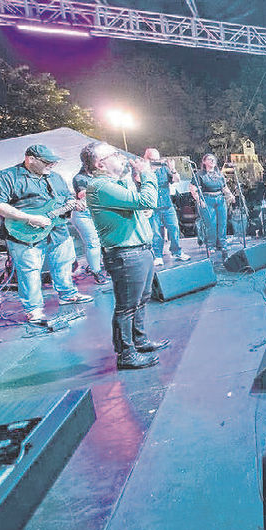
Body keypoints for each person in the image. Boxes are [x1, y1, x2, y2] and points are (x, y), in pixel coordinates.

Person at [81, 141, 169, 370]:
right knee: (127, 306)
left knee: (142, 299)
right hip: (126, 254)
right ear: (100, 164)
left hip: (140, 249)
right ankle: (126, 354)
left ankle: (139, 341)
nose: (121, 156)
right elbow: (147, 200)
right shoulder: (100, 186)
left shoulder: (116, 183)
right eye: (114, 154)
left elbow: (140, 207)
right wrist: (147, 174)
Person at [0, 144, 92, 323]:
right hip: (25, 233)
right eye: (47, 162)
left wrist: (75, 203)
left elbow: (65, 198)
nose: (52, 165)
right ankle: (33, 309)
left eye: (54, 162)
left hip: (57, 229)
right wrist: (28, 218)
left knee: (64, 262)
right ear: (30, 159)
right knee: (29, 271)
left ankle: (67, 294)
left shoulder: (55, 177)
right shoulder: (7, 177)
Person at [142, 148, 189, 266]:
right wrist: (148, 169)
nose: (155, 161)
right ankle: (157, 256)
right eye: (152, 159)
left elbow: (176, 180)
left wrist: (172, 168)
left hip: (167, 205)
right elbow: (138, 181)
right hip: (152, 207)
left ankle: (176, 251)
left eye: (157, 159)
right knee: (156, 233)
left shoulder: (164, 169)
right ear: (146, 158)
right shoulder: (143, 170)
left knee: (174, 228)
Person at [71, 163, 110, 285]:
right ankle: (96, 272)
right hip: (84, 215)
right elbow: (81, 194)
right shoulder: (79, 178)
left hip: (98, 213)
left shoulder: (99, 177)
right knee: (93, 243)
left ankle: (108, 268)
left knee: (105, 242)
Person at [190, 153, 232, 251]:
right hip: (207, 199)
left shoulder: (219, 174)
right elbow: (193, 188)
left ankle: (222, 244)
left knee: (222, 223)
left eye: (213, 159)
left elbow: (224, 187)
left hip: (220, 199)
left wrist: (230, 195)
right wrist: (199, 200)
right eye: (209, 159)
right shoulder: (199, 174)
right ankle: (211, 245)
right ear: (204, 162)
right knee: (211, 224)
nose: (212, 161)